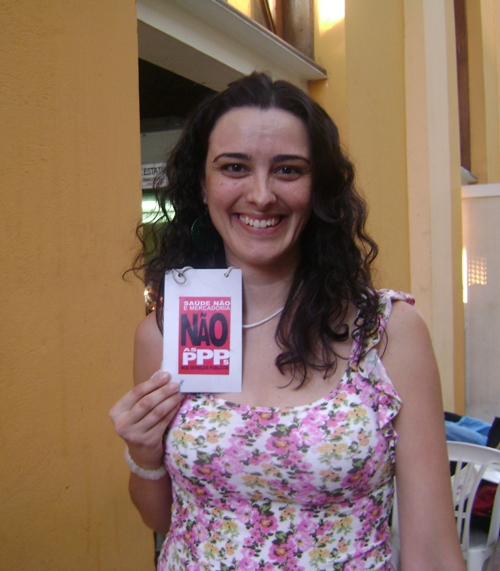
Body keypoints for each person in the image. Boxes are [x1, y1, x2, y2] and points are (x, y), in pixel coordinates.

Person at [110, 72, 466, 571]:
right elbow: (163, 519)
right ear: (203, 184)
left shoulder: (388, 332)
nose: (261, 195)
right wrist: (144, 453)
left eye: (288, 170)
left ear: (318, 186)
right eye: (234, 167)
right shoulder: (164, 333)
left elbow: (433, 549)